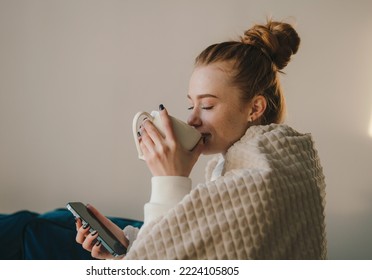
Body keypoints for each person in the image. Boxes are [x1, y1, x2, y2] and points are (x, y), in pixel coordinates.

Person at [75, 19, 327, 259]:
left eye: (206, 106)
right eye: (190, 106)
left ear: (255, 108)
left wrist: (169, 179)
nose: (193, 119)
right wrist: (127, 246)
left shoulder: (262, 179)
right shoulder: (253, 167)